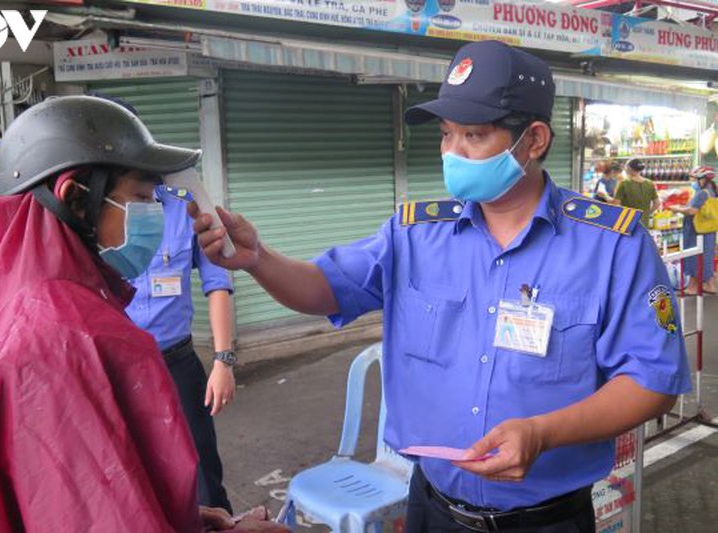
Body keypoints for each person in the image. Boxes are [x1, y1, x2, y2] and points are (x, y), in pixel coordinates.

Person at [190, 41, 691, 532]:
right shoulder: (414, 235)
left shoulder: (612, 247)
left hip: (547, 521)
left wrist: (542, 433)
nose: (452, 152)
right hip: (432, 510)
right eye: (446, 134)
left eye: (473, 135)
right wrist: (259, 260)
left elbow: (654, 381)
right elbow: (325, 288)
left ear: (534, 140)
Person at [0, 96, 280, 532]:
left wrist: (185, 517)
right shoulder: (63, 336)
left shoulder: (25, 303)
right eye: (141, 197)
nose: (154, 213)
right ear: (75, 197)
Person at [127, 184, 236, 513]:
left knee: (204, 473)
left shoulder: (187, 207)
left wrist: (223, 361)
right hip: (122, 370)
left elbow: (218, 283)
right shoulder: (103, 210)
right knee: (135, 473)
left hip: (178, 364)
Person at [671, 166, 717, 295]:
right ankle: (710, 285)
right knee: (706, 258)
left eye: (694, 179)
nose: (692, 182)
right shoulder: (713, 191)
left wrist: (677, 208)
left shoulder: (702, 193)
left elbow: (692, 211)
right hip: (709, 231)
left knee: (694, 257)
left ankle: (692, 287)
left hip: (696, 231)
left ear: (702, 179)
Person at [615, 158, 660, 228]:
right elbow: (657, 203)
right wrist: (647, 213)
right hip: (644, 223)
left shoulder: (624, 184)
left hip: (627, 222)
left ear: (629, 168)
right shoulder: (650, 183)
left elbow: (616, 203)